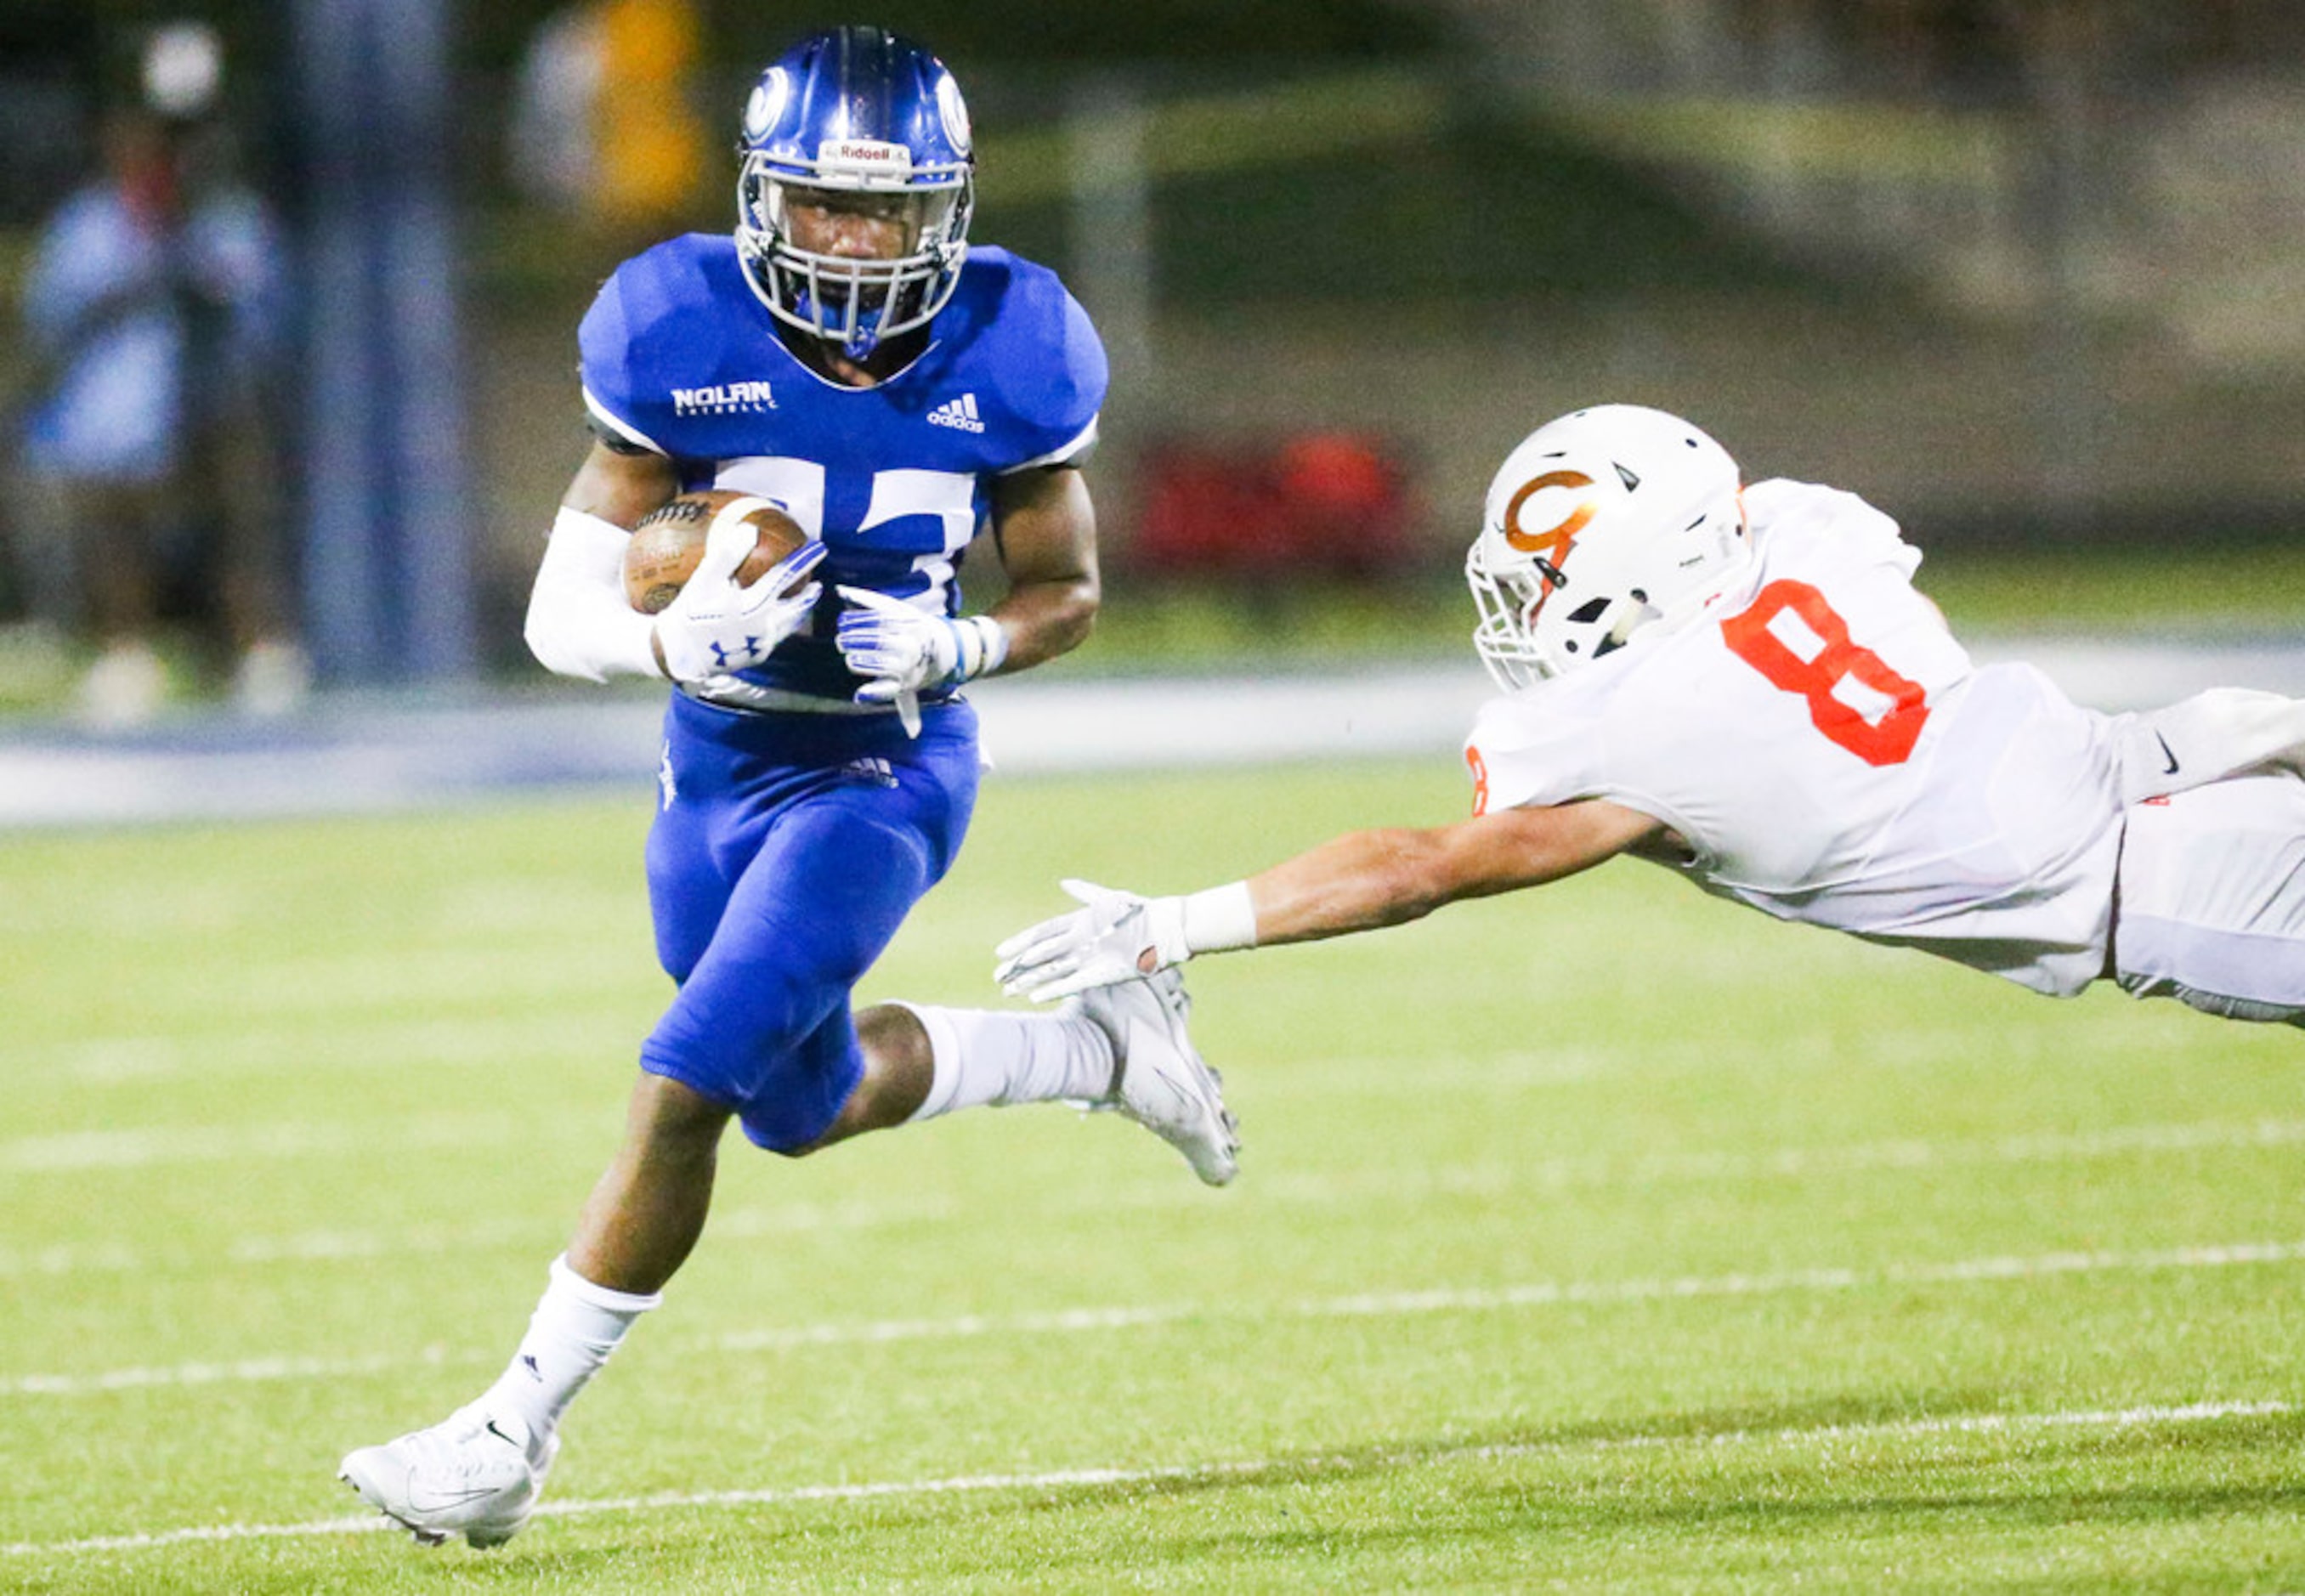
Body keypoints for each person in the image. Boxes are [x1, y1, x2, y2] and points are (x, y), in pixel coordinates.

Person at [337, 27, 1237, 1550]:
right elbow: (563, 614)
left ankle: (505, 1435)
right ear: (765, 196)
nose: (849, 238)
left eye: (882, 211)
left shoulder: (1013, 340)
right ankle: (1096, 1056)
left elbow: (1067, 590)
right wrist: (667, 638)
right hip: (718, 767)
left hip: (884, 769)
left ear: (942, 212)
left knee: (686, 1075)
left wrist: (963, 638)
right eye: (819, 203)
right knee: (796, 1102)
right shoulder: (677, 322)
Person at [995, 403, 2305, 1031]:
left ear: (1638, 564)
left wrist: (1179, 922)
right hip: (2189, 746)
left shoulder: (1633, 726)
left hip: (2168, 874)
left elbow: (1421, 870)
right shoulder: (1806, 527)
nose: (1532, 605)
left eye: (1552, 574)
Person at [12, 23, 306, 727]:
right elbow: (54, 317)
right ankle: (127, 651)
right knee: (113, 526)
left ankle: (260, 653)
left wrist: (206, 288)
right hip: (116, 424)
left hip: (214, 405)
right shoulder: (93, 225)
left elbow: (268, 317)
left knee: (239, 517)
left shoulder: (228, 221)